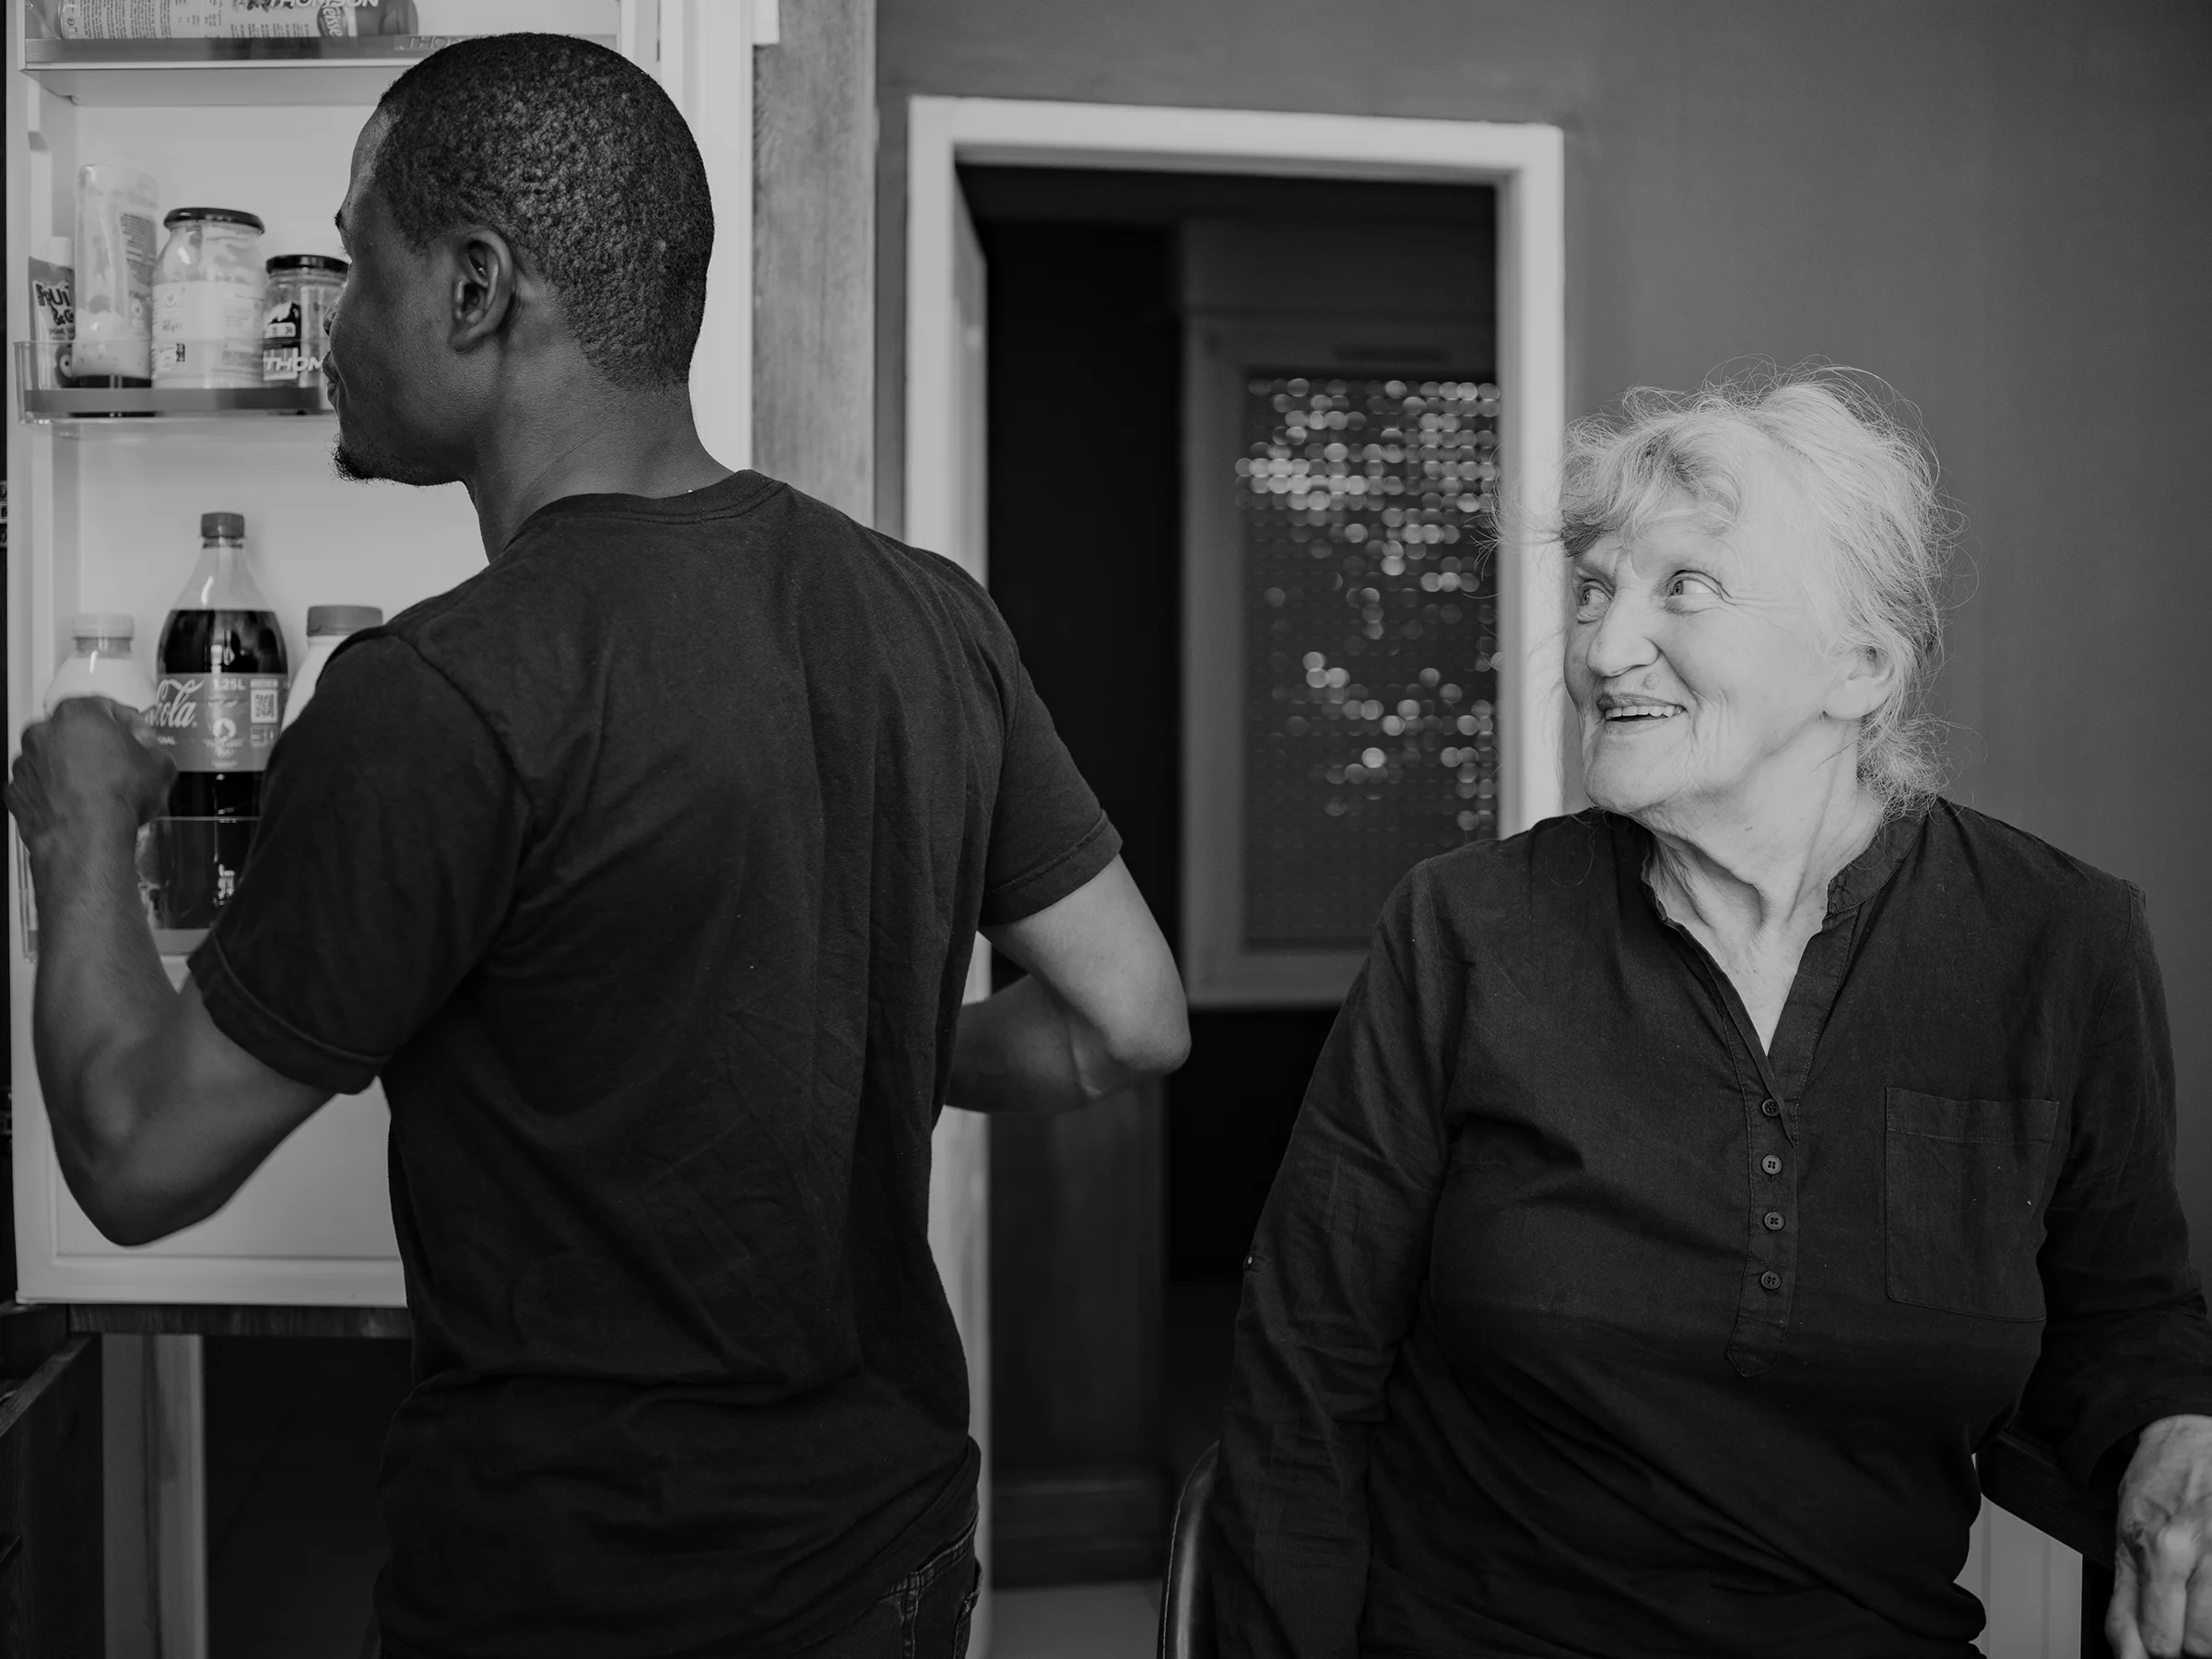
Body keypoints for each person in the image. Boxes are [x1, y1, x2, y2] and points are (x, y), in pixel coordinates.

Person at [6, 33, 1187, 1659]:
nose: (336, 321)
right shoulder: (927, 616)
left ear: (478, 288)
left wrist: (79, 831)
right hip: (897, 1555)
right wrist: (862, 1044)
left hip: (595, 1597)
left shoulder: (442, 691)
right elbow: (1126, 1019)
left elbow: (136, 1158)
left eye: (361, 265)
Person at [1210, 369, 2212, 1659]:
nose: (1601, 644)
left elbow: (2120, 1317)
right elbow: (1306, 1367)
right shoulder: (1465, 930)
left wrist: (2175, 1428)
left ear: (1860, 664)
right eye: (1592, 588)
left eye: (1681, 587)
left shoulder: (2058, 943)